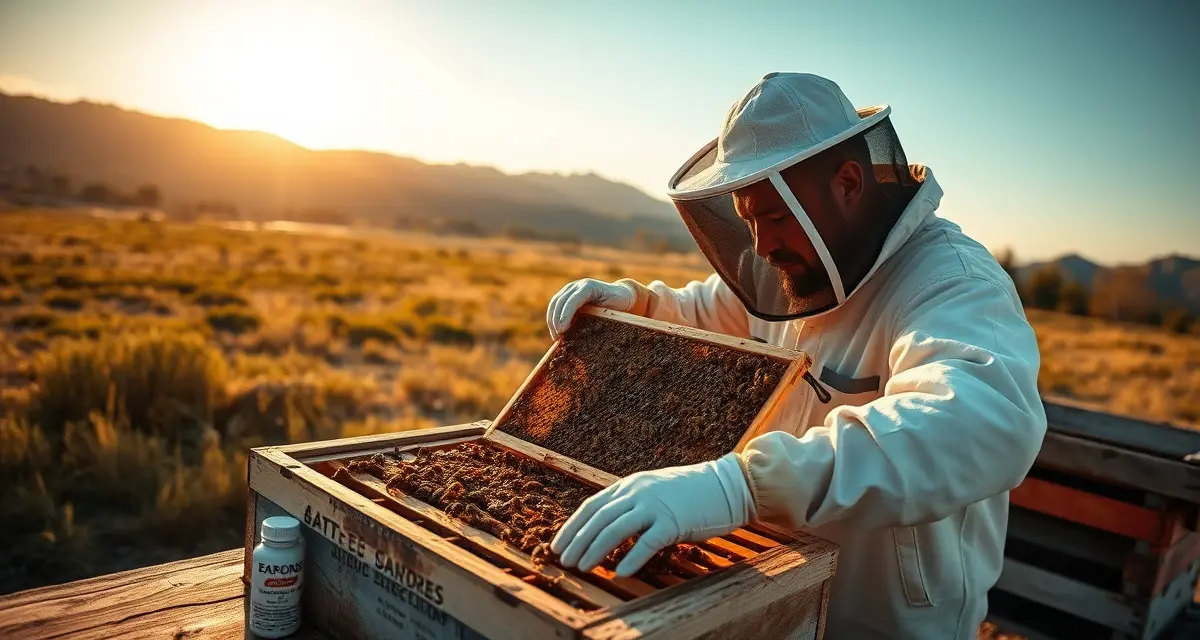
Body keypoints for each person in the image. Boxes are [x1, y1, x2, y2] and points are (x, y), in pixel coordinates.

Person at [544, 72, 1047, 639]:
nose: (762, 244)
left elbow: (976, 422)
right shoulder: (797, 267)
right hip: (781, 598)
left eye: (775, 216)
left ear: (849, 183)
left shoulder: (952, 282)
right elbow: (708, 312)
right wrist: (635, 303)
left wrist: (741, 486)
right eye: (749, 218)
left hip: (888, 618)